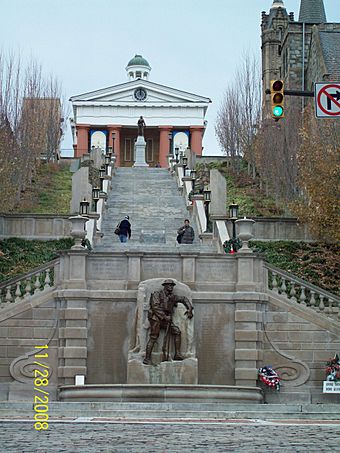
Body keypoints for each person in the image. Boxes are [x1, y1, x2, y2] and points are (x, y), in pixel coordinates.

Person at [143, 279, 193, 365]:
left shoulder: (172, 297)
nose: (171, 287)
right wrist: (165, 316)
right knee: (154, 337)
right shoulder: (157, 294)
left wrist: (189, 309)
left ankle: (177, 354)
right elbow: (155, 307)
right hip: (156, 318)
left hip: (166, 320)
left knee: (177, 331)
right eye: (169, 285)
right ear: (164, 286)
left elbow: (184, 299)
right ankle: (147, 359)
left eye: (172, 285)